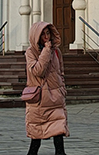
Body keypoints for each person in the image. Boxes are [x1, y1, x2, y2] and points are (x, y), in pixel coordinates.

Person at [24, 22, 68, 155]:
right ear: (36, 36)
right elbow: (38, 71)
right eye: (43, 34)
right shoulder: (31, 52)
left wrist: (62, 87)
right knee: (36, 133)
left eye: (48, 33)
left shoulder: (56, 51)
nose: (46, 37)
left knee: (59, 128)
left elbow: (60, 71)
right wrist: (46, 51)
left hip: (56, 96)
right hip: (40, 99)